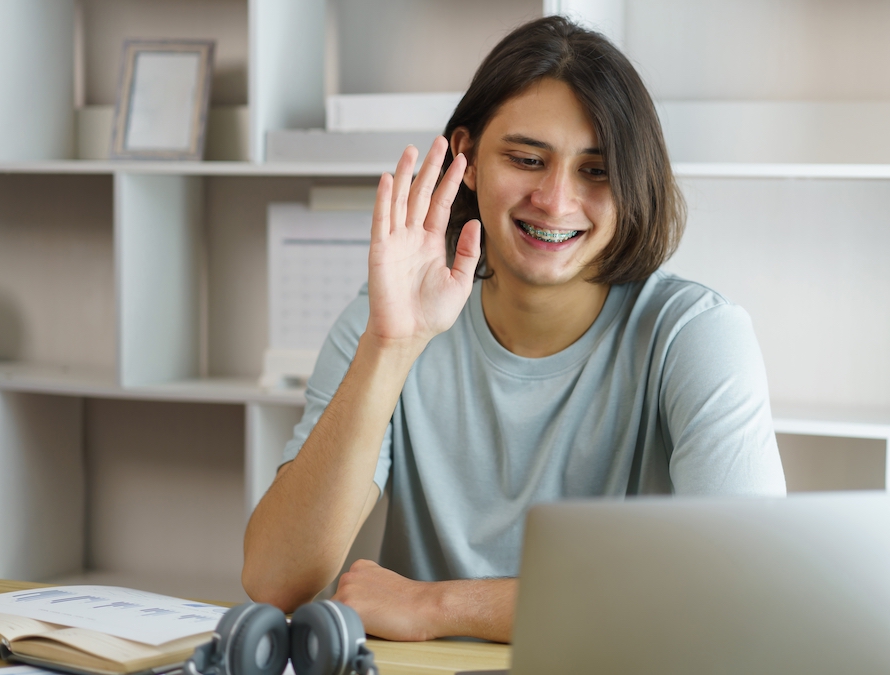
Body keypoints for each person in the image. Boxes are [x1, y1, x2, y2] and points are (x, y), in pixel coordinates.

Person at [241, 15, 785, 643]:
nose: (556, 201)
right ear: (466, 159)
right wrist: (392, 347)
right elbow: (275, 579)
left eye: (596, 170)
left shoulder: (693, 334)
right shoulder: (388, 318)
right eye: (527, 159)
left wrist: (439, 606)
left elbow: (744, 589)